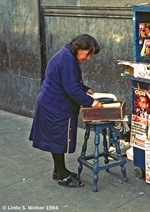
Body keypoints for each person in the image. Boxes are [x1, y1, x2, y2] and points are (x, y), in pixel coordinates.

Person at [29, 34, 102, 188]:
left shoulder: (66, 55)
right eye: (87, 53)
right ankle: (63, 176)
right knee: (57, 141)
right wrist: (91, 102)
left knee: (57, 140)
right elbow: (71, 88)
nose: (88, 58)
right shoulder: (67, 59)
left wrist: (85, 88)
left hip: (51, 105)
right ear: (78, 49)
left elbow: (69, 81)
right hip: (55, 107)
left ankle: (59, 171)